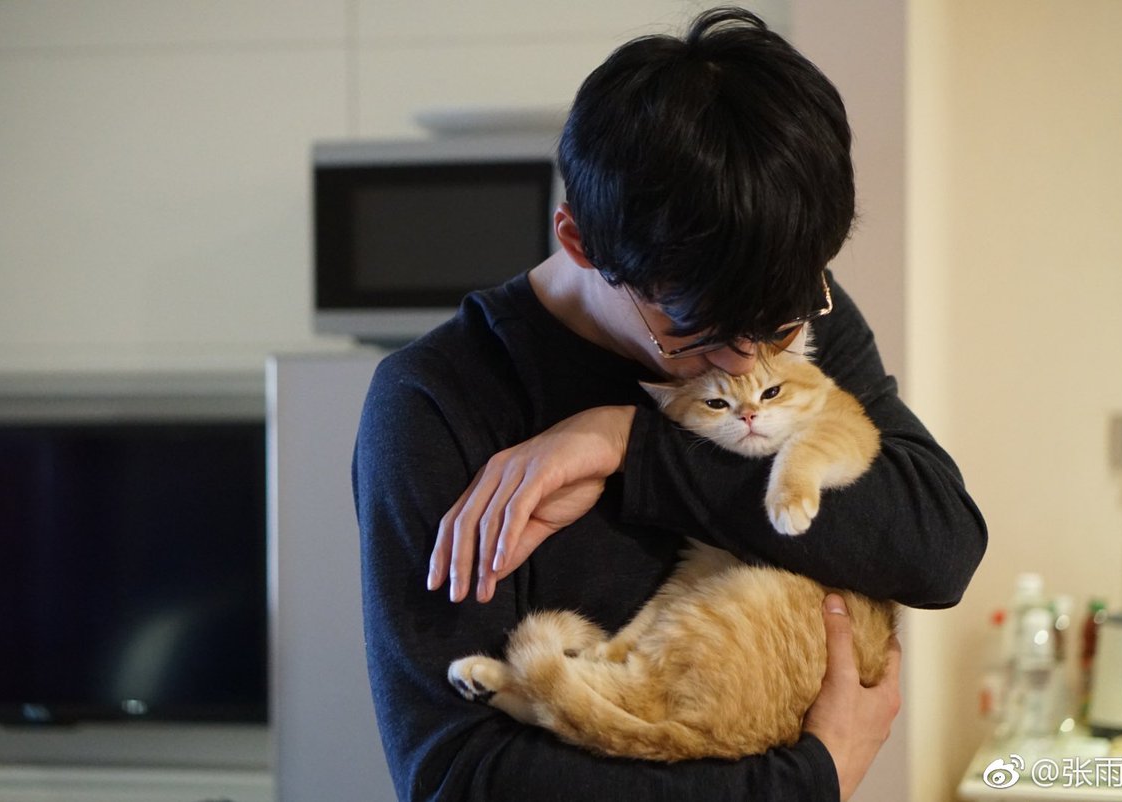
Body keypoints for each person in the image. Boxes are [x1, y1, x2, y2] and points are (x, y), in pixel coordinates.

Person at [353, 7, 986, 801]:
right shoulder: (436, 402)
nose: (749, 361)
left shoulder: (780, 303)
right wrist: (806, 779)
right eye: (699, 333)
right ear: (580, 243)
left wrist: (634, 445)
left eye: (781, 326)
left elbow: (938, 548)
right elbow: (457, 776)